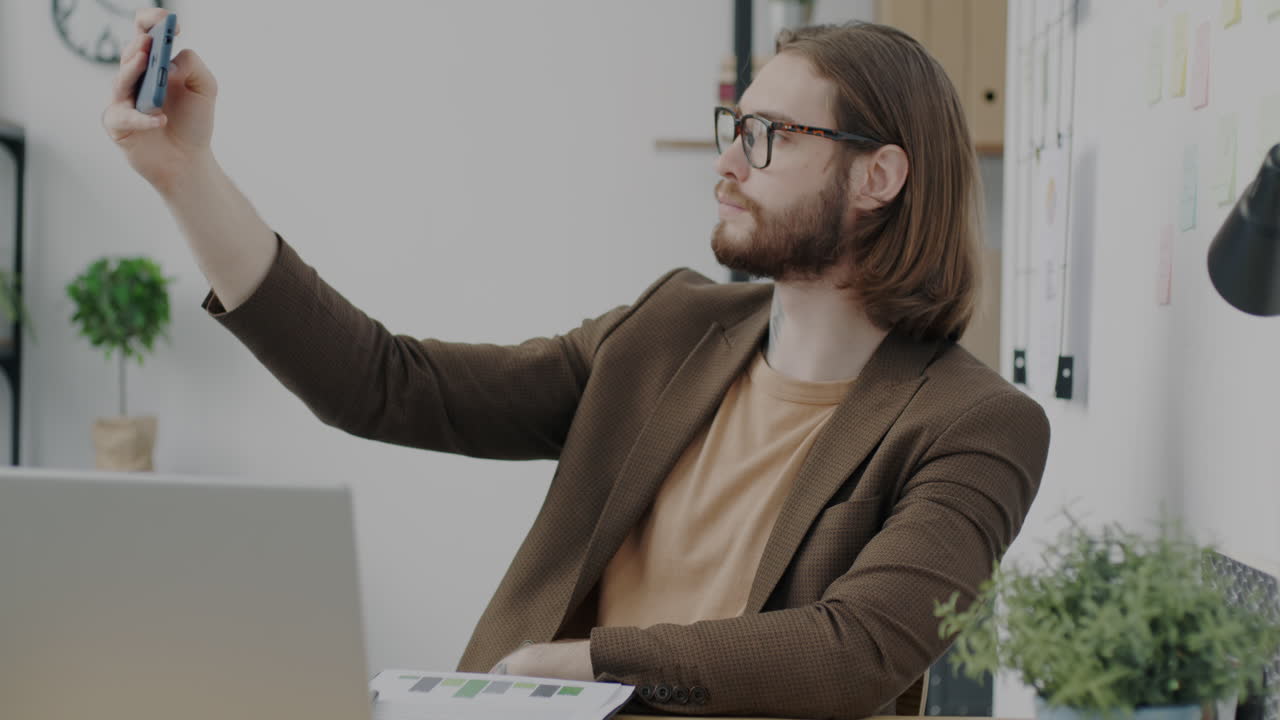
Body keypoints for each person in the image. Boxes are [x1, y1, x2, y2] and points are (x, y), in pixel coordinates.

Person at [103, 9, 1050, 720]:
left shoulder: (975, 425)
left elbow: (858, 651)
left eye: (768, 137)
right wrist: (185, 175)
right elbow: (384, 385)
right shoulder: (668, 328)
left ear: (878, 178)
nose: (728, 165)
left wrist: (589, 661)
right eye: (734, 129)